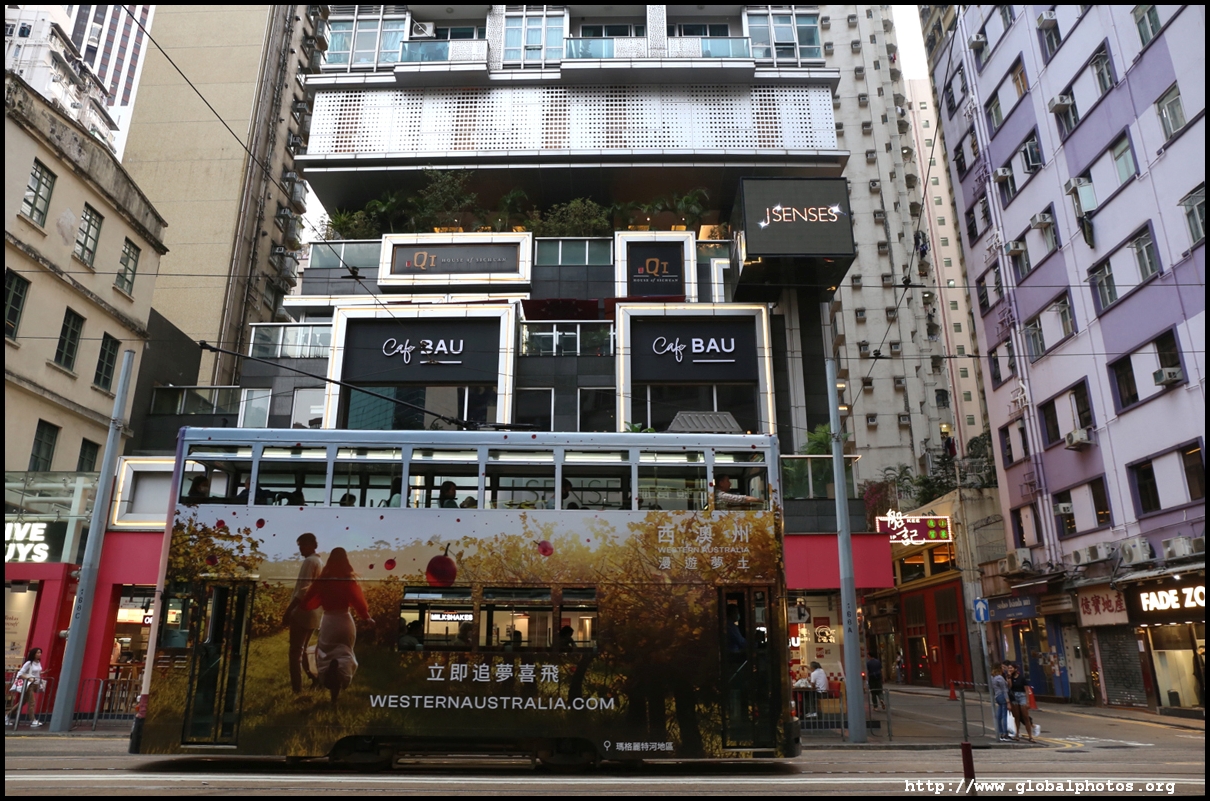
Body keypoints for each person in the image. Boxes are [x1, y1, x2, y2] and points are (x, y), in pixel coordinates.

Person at [302, 547, 374, 704]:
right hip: (345, 621)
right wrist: (367, 617)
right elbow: (359, 602)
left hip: (329, 621)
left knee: (326, 654)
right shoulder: (348, 580)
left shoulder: (323, 580)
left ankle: (330, 678)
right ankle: (338, 684)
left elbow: (307, 601)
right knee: (345, 653)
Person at [282, 533, 323, 694]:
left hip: (302, 611)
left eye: (303, 545)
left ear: (312, 545)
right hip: (314, 612)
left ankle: (297, 689)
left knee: (295, 652)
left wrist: (289, 611)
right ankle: (315, 678)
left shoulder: (309, 561)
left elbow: (303, 590)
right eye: (300, 546)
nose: (300, 549)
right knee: (303, 649)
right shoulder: (319, 562)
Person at [7, 648, 45, 727]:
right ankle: (33, 720)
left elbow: (34, 672)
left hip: (35, 684)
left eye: (40, 652)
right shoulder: (29, 663)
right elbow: (20, 674)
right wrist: (29, 678)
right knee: (32, 702)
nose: (39, 654)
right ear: (33, 654)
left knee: (22, 702)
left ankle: (7, 716)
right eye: (37, 653)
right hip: (29, 685)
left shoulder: (38, 662)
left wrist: (42, 672)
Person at [1007, 662, 1035, 743]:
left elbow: (1026, 690)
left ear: (1015, 669)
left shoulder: (1022, 678)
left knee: (1025, 717)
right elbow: (1010, 686)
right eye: (1009, 668)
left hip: (1022, 696)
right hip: (1014, 697)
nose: (1010, 670)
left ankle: (1030, 736)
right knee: (1017, 717)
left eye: (1011, 668)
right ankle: (1017, 734)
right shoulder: (1009, 677)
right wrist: (1009, 677)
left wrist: (1028, 701)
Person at [991, 664, 1010, 741]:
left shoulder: (993, 677)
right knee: (1004, 715)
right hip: (1002, 696)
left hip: (997, 696)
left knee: (998, 716)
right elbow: (1004, 689)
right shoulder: (1000, 678)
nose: (1003, 669)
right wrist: (1007, 700)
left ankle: (1000, 732)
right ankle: (1005, 734)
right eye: (1002, 667)